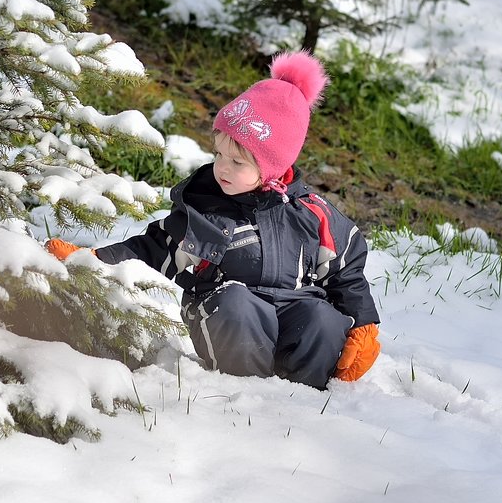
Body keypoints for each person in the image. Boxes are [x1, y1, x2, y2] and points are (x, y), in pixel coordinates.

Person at [46, 52, 380, 389]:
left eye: (238, 161)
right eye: (219, 154)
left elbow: (346, 273)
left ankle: (307, 396)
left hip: (294, 312)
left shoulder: (312, 214)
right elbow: (152, 247)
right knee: (237, 305)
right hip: (228, 314)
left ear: (273, 167)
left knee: (321, 318)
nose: (222, 167)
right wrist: (93, 261)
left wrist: (363, 322)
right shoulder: (207, 208)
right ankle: (246, 392)